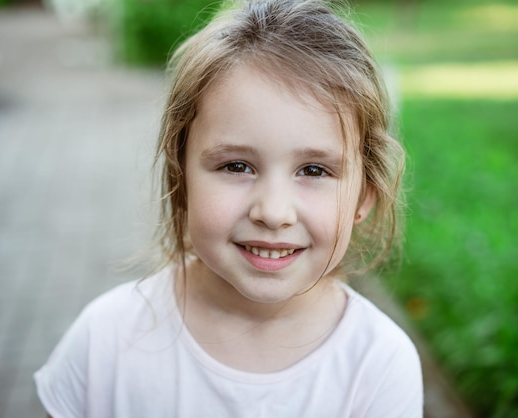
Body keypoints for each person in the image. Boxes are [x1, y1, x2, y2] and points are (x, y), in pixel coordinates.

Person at [34, 0, 423, 416]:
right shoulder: (105, 342)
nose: (274, 212)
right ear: (180, 176)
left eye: (313, 170)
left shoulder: (379, 366)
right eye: (237, 166)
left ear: (364, 196)